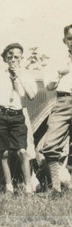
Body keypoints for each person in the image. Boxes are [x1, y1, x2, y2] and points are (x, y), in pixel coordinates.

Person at [0, 43, 38, 194]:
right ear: (6, 58)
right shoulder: (0, 74)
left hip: (17, 116)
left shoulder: (26, 75)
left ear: (21, 59)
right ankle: (8, 187)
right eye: (10, 57)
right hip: (0, 114)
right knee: (4, 153)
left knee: (22, 152)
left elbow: (32, 95)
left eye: (17, 57)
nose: (13, 60)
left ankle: (28, 188)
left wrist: (18, 75)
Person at [41, 24, 72, 193]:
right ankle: (56, 189)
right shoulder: (59, 61)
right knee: (50, 146)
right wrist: (60, 73)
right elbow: (49, 86)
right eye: (70, 39)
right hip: (63, 102)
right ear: (64, 41)